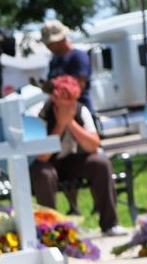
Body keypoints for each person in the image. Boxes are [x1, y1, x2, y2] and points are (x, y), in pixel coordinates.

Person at [32, 75, 124, 235]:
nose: (69, 104)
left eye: (72, 99)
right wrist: (60, 125)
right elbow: (41, 157)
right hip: (47, 163)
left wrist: (71, 123)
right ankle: (52, 231)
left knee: (101, 164)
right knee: (44, 173)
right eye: (64, 99)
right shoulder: (41, 113)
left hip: (71, 160)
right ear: (54, 97)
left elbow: (93, 145)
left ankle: (110, 224)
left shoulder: (81, 110)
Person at [41, 19, 94, 112]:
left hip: (79, 112)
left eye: (50, 44)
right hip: (61, 112)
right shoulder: (55, 60)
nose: (47, 46)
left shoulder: (78, 56)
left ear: (60, 39)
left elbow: (77, 87)